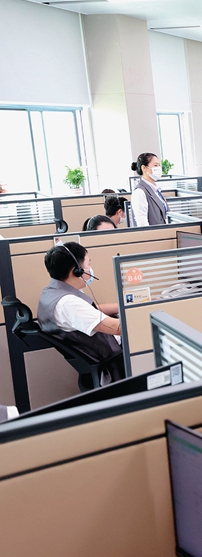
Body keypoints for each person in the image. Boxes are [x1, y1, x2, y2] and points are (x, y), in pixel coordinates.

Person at [38, 242, 124, 384]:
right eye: (88, 264)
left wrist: (124, 306)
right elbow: (118, 328)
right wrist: (144, 315)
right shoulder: (68, 303)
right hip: (116, 364)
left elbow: (91, 310)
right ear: (77, 271)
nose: (90, 268)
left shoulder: (54, 292)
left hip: (107, 357)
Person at [130, 152, 167, 227]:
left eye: (159, 165)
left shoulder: (156, 190)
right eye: (155, 165)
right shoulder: (139, 192)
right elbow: (142, 224)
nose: (158, 168)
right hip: (154, 233)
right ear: (144, 168)